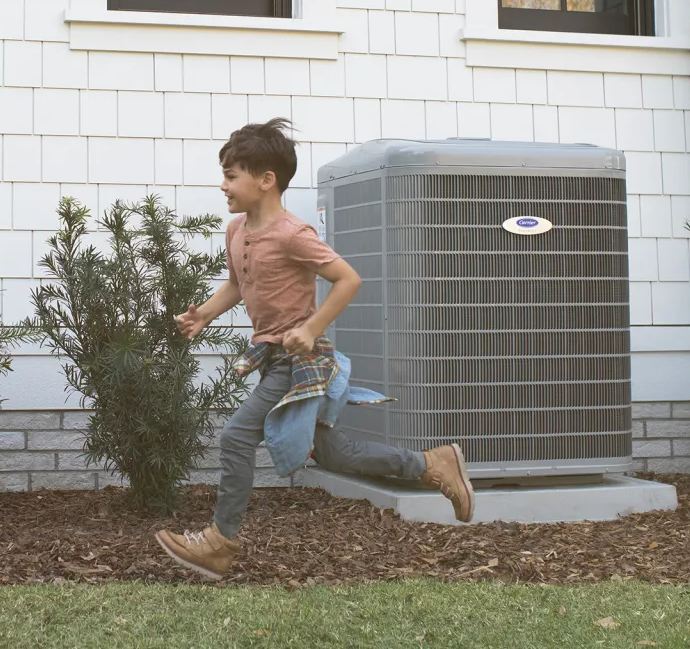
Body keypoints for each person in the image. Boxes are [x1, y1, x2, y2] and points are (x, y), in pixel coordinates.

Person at [155, 119, 474, 581]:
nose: (223, 184)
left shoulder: (292, 233)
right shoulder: (236, 230)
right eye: (224, 174)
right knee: (333, 453)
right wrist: (204, 313)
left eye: (231, 175)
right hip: (275, 361)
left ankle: (220, 542)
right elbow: (238, 284)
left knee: (236, 436)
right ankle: (431, 463)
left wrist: (310, 327)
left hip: (300, 361)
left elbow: (348, 279)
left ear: (266, 180)